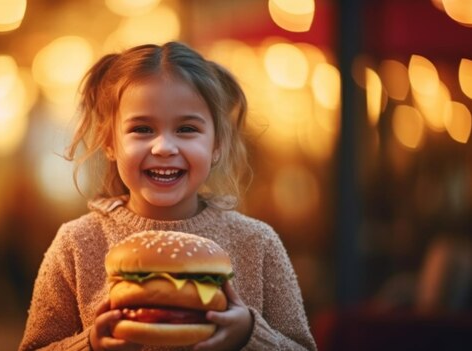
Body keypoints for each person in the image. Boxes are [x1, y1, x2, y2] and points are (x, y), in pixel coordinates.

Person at [18, 41, 317, 351]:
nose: (163, 147)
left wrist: (250, 335)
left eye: (187, 129)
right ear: (110, 142)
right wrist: (91, 344)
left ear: (217, 145)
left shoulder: (257, 243)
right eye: (142, 129)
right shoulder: (76, 245)